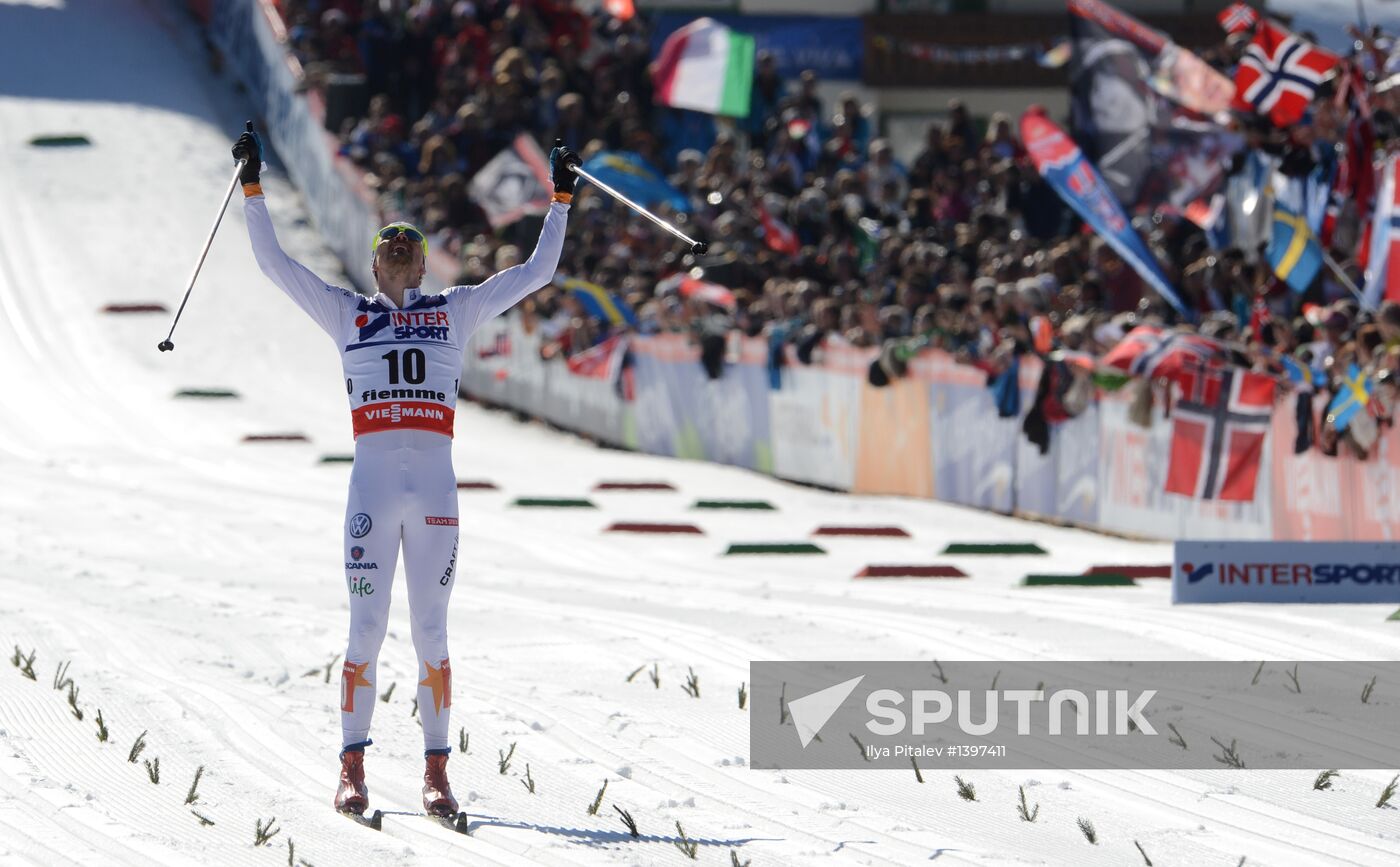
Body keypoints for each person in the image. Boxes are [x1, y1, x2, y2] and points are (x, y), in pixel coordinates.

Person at [231, 127, 576, 817]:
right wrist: (252, 185)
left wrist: (561, 197)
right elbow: (273, 261)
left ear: (421, 267)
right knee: (364, 630)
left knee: (432, 633)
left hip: (436, 497)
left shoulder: (456, 309)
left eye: (410, 242)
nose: (397, 244)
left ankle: (437, 773)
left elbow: (536, 270)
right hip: (373, 491)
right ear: (375, 262)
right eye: (387, 240)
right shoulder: (347, 313)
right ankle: (352, 766)